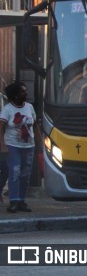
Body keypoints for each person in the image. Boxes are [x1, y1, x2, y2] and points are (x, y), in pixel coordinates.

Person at [0, 81, 41, 213]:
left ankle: (22, 201)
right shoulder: (8, 109)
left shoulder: (29, 107)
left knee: (25, 174)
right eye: (23, 91)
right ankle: (14, 201)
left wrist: (40, 143)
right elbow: (1, 128)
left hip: (29, 146)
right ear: (15, 95)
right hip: (13, 146)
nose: (26, 93)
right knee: (15, 172)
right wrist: (3, 145)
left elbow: (35, 125)